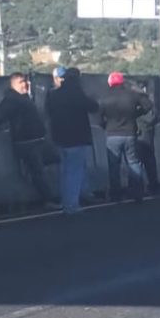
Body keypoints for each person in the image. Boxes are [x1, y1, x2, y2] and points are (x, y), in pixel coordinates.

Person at [0, 72, 55, 209]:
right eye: (21, 82)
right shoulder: (11, 100)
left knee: (40, 170)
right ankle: (48, 199)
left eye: (25, 81)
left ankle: (43, 198)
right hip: (26, 142)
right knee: (38, 172)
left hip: (36, 140)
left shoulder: (24, 98)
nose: (25, 84)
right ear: (13, 85)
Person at [46, 68, 99, 214]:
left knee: (65, 172)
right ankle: (72, 204)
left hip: (59, 137)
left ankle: (66, 201)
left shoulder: (53, 94)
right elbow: (93, 107)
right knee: (75, 171)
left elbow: (48, 112)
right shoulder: (76, 92)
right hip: (76, 137)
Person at [99, 71, 153, 204]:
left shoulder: (104, 97)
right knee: (133, 162)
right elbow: (148, 105)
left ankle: (116, 195)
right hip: (129, 133)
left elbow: (99, 118)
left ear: (110, 82)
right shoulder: (132, 95)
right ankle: (137, 193)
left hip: (112, 134)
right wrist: (135, 113)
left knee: (114, 165)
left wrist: (106, 125)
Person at [135, 84, 160, 195]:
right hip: (146, 134)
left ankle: (139, 188)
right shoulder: (147, 103)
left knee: (137, 162)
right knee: (149, 161)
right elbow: (153, 118)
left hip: (139, 134)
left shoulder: (134, 103)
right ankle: (152, 186)